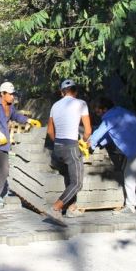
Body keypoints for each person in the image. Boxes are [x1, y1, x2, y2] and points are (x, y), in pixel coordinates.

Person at [0, 81, 41, 207]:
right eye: (10, 94)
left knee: (4, 170)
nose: (13, 97)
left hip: (4, 145)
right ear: (2, 94)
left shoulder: (10, 107)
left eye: (14, 94)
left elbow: (16, 116)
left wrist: (29, 120)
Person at [46, 79, 92, 221]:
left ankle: (71, 208)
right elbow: (88, 131)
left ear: (62, 92)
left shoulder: (55, 106)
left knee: (69, 178)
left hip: (57, 148)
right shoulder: (81, 104)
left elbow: (49, 131)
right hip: (71, 147)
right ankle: (56, 207)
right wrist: (84, 142)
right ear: (75, 91)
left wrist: (58, 143)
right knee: (77, 183)